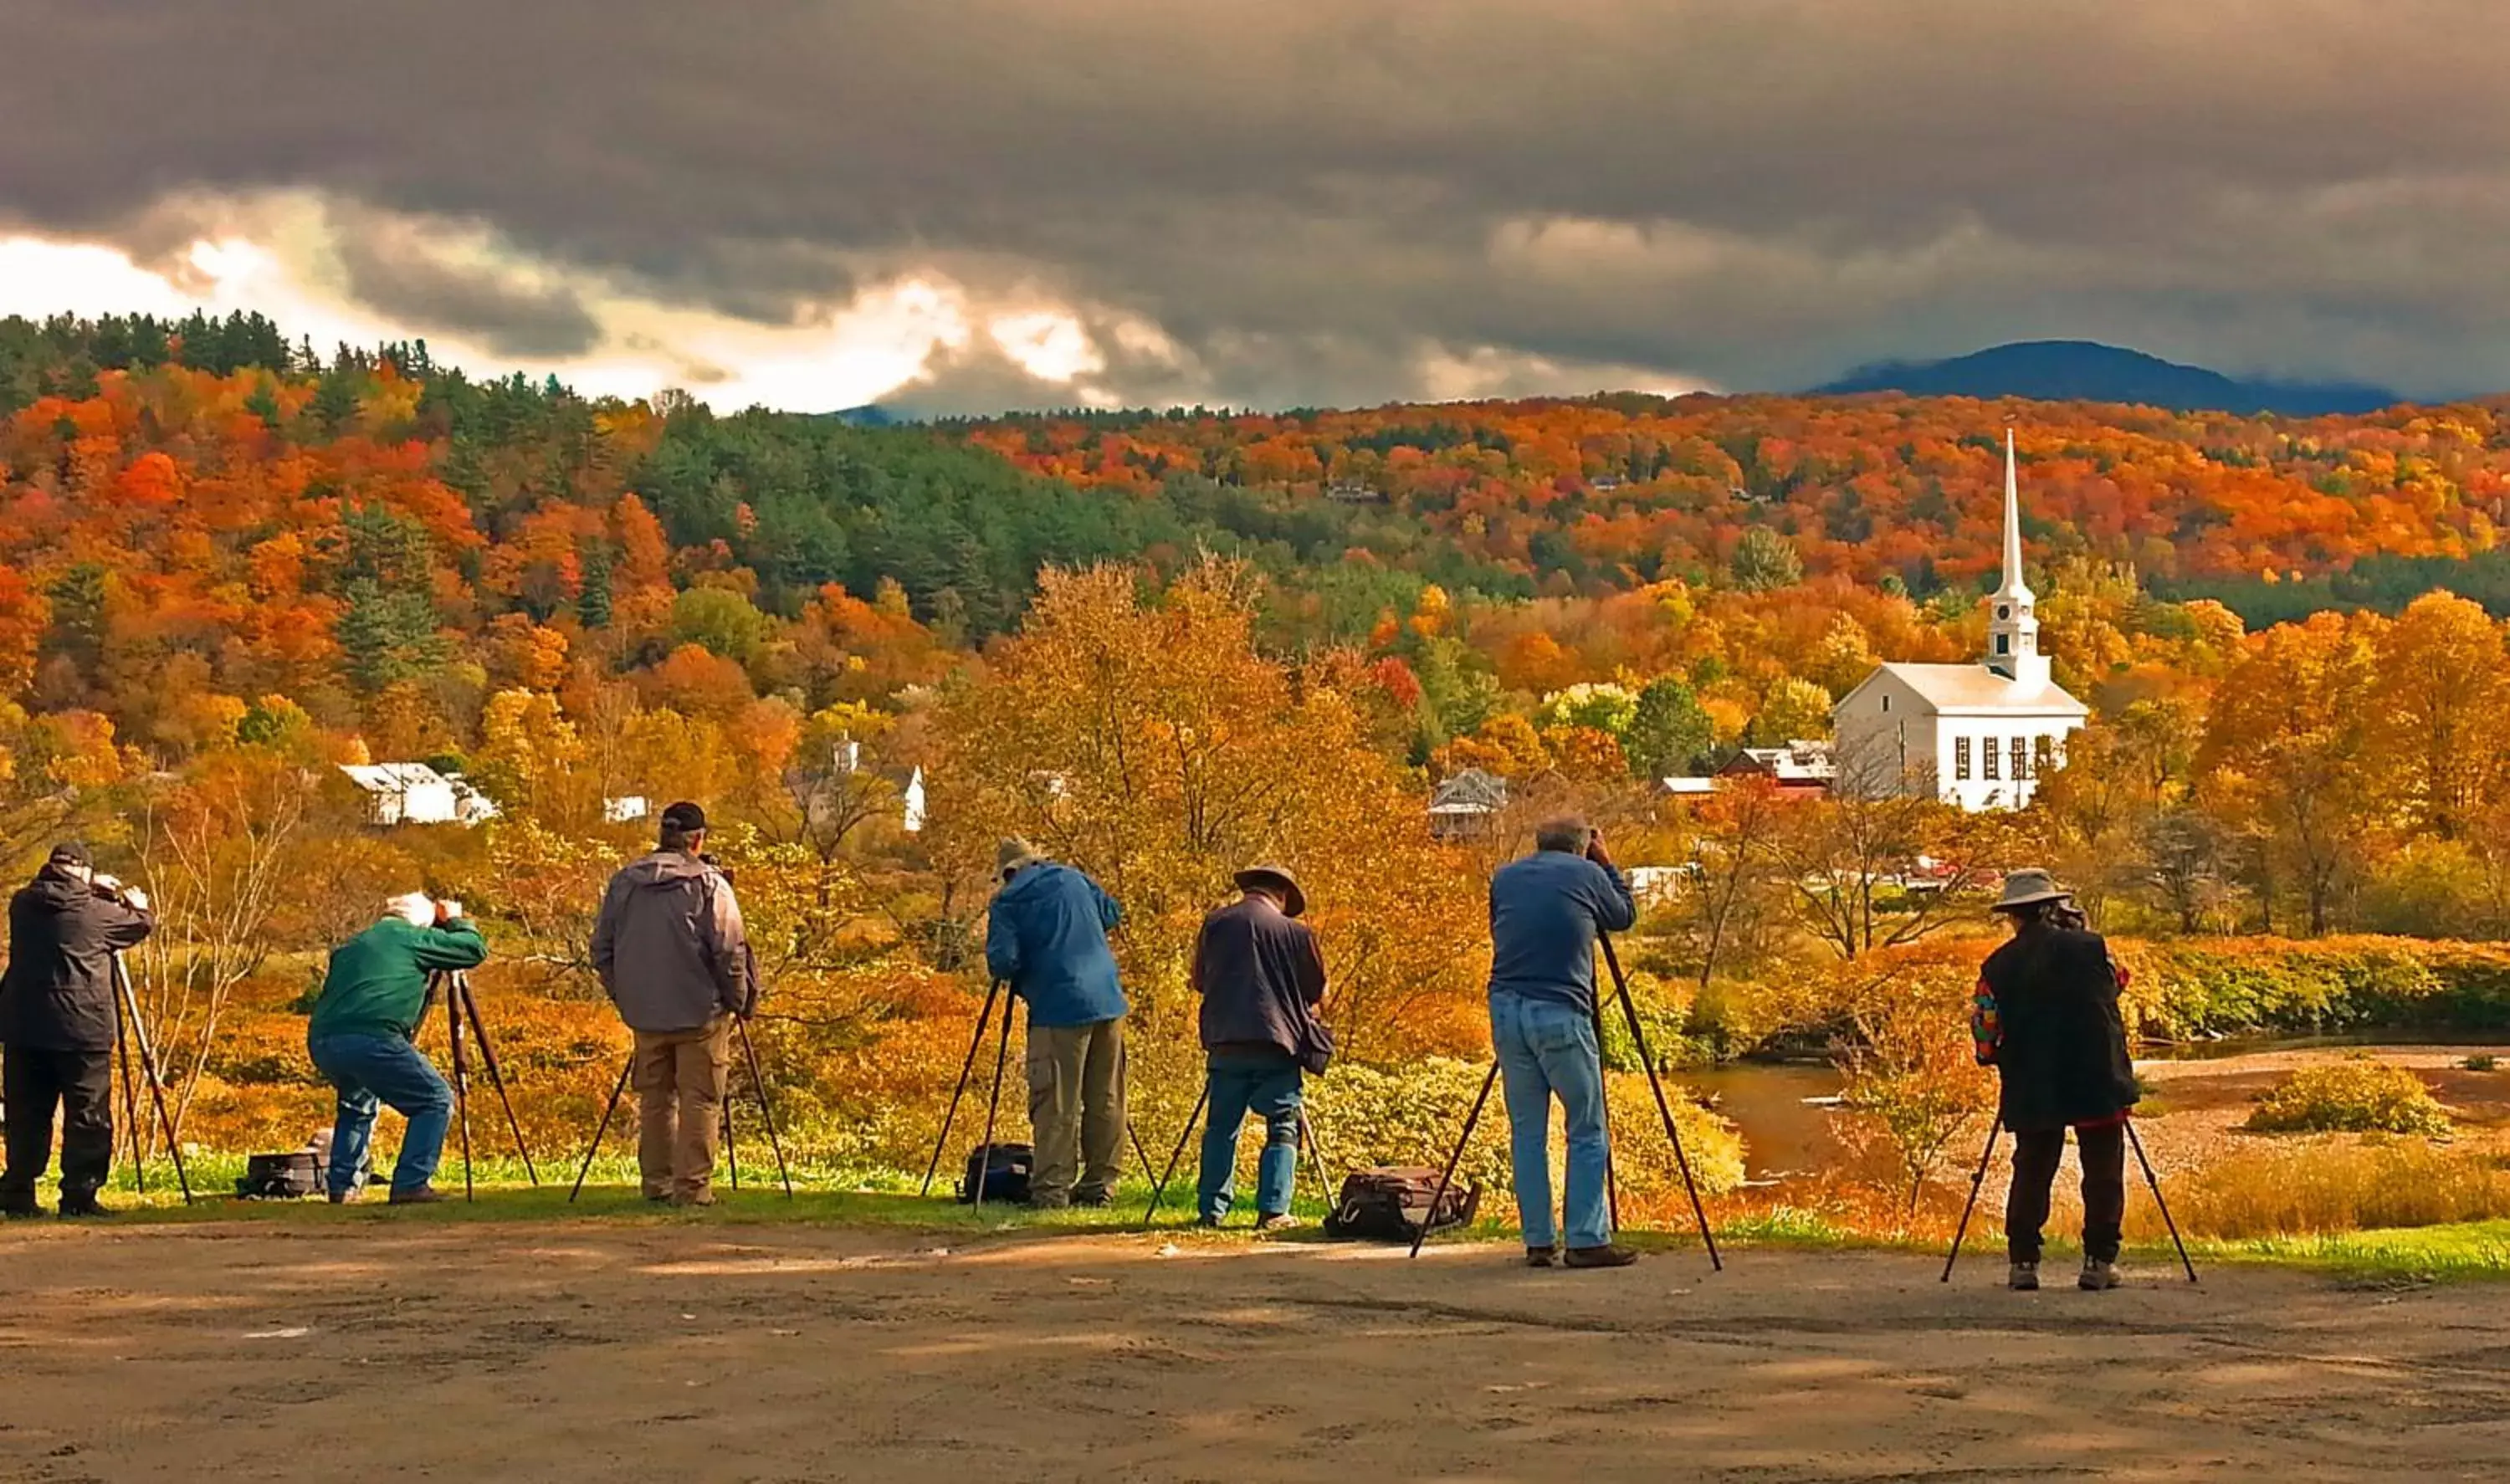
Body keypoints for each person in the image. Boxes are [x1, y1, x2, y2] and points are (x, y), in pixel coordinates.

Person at [1972, 868, 2139, 1292]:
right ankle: (2098, 1262)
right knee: (2102, 1169)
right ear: (2054, 908)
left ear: (2015, 915)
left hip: (2032, 1079)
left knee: (2032, 1167)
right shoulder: (2094, 948)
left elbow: (1986, 1032)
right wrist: (2082, 932)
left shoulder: (1997, 965)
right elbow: (2118, 983)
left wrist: (1991, 1057)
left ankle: (2024, 1263)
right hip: (2096, 1074)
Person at [1487, 816, 1638, 1269]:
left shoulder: (1505, 877)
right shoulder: (1588, 873)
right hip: (1559, 1008)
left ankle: (1538, 1240)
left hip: (1506, 1006)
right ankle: (1586, 1239)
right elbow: (1623, 916)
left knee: (1528, 1131)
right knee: (1587, 1127)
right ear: (1581, 848)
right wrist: (1606, 864)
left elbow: (1499, 926)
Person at [591, 801, 759, 1207]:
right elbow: (729, 951)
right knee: (700, 1097)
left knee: (655, 1098)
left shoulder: (624, 882)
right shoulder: (710, 886)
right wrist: (738, 1001)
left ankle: (656, 1184)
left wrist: (625, 995)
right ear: (698, 840)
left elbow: (602, 949)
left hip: (645, 1013)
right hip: (701, 1011)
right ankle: (693, 1189)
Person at [0, 843, 153, 1219]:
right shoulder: (96, 913)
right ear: (83, 871)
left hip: (24, 1025)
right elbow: (140, 924)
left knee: (27, 1114)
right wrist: (138, 902)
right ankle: (79, 1196)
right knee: (87, 1115)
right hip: (82, 1028)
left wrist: (87, 885)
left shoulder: (22, 904)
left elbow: (54, 894)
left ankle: (18, 1192)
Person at [306, 893, 488, 1205]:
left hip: (324, 1040)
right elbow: (473, 949)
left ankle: (343, 1187)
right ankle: (411, 1182)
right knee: (435, 1099)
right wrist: (456, 920)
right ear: (423, 921)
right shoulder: (410, 938)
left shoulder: (353, 945)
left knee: (356, 1105)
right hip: (372, 1037)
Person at [986, 838, 1127, 1210]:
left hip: (1057, 1009)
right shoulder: (1075, 878)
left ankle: (1051, 1190)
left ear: (1008, 873)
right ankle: (1100, 1186)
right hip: (1108, 1001)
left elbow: (1004, 962)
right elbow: (1112, 912)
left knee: (1056, 1102)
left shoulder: (1007, 901)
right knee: (1106, 1098)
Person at [1190, 863, 1329, 1231]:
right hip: (1278, 1043)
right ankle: (1273, 1210)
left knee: (1221, 1127)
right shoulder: (1296, 934)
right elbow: (1315, 992)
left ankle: (1211, 1210)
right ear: (1281, 896)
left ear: (1250, 890)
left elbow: (1199, 980)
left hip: (1226, 1040)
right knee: (1283, 1125)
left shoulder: (1215, 924)